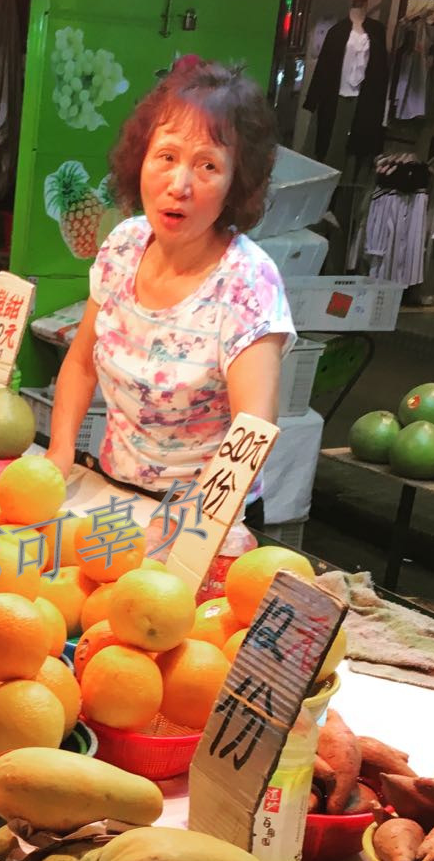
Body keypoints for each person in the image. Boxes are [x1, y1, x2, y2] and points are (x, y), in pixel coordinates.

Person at [46, 61, 295, 527]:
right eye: (166, 156)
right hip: (114, 496)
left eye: (207, 166)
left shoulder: (248, 282)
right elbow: (81, 363)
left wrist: (194, 525)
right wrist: (59, 456)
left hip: (209, 519)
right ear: (140, 159)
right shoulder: (122, 245)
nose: (179, 186)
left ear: (234, 184)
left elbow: (252, 434)